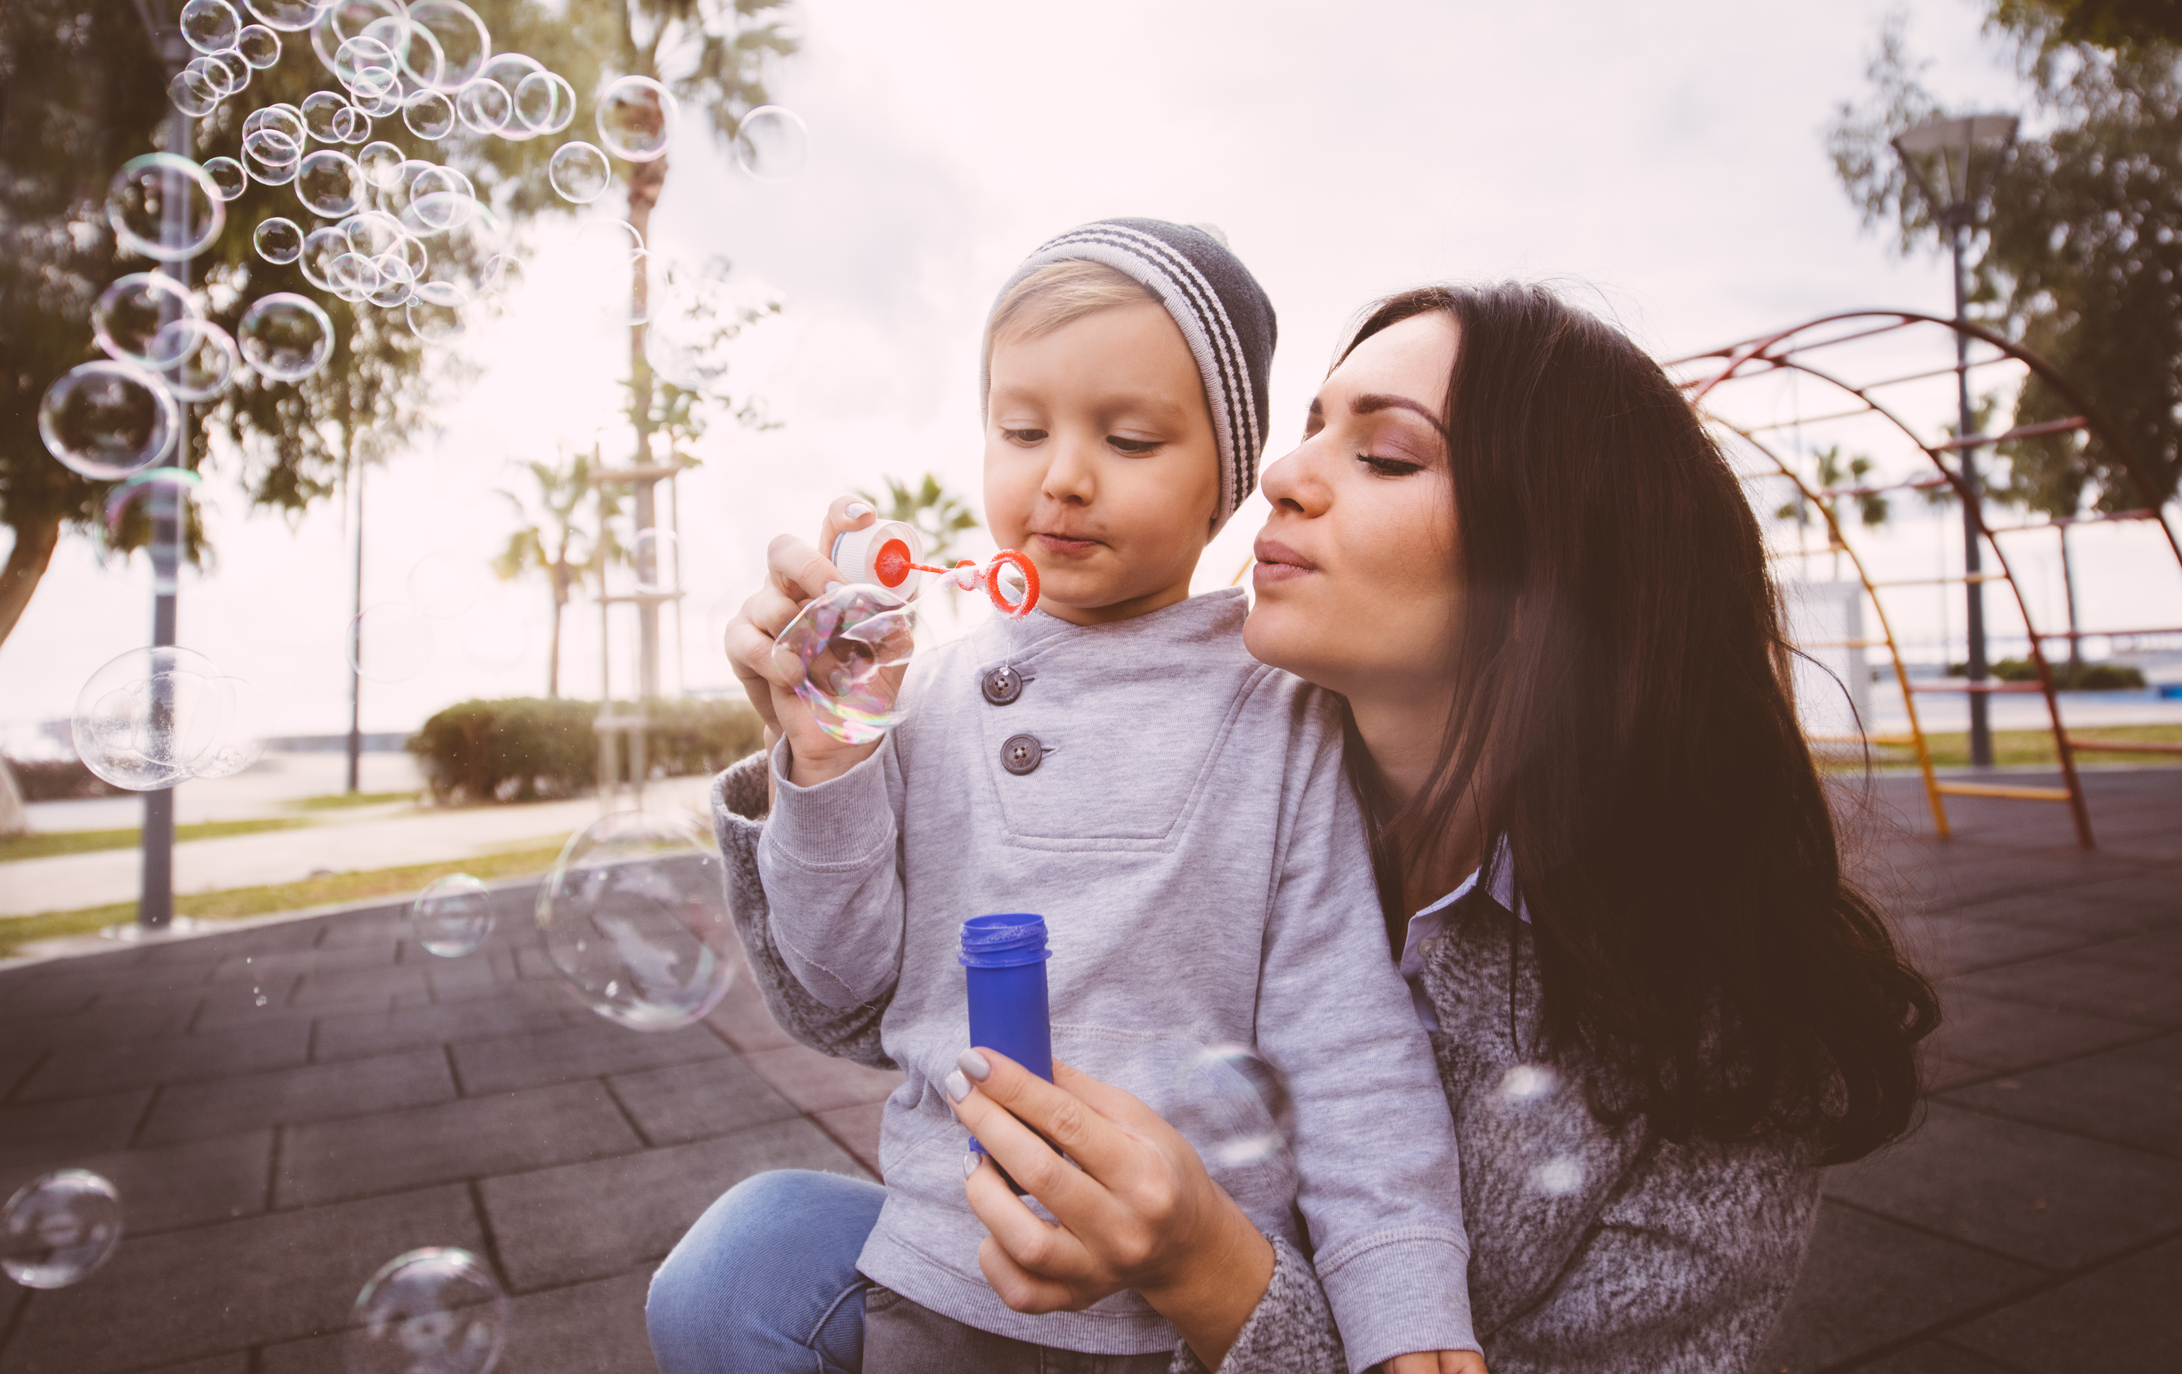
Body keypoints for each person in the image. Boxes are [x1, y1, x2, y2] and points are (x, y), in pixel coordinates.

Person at [651, 280, 1939, 1373]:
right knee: (748, 1259)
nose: (1278, 473)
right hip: (1010, 1292)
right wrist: (826, 761)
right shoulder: (1208, 752)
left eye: (1381, 453)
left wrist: (1211, 1273)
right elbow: (855, 1005)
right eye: (1308, 427)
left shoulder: (1718, 1065)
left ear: (1553, 565)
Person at [660, 222, 1484, 1374]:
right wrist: (830, 755)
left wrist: (1408, 1312)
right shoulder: (925, 695)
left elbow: (1348, 1039)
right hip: (942, 1277)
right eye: (1021, 430)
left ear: (1225, 487)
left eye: (1131, 437)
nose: (1062, 474)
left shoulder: (1279, 711)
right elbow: (841, 976)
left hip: (1181, 1311)